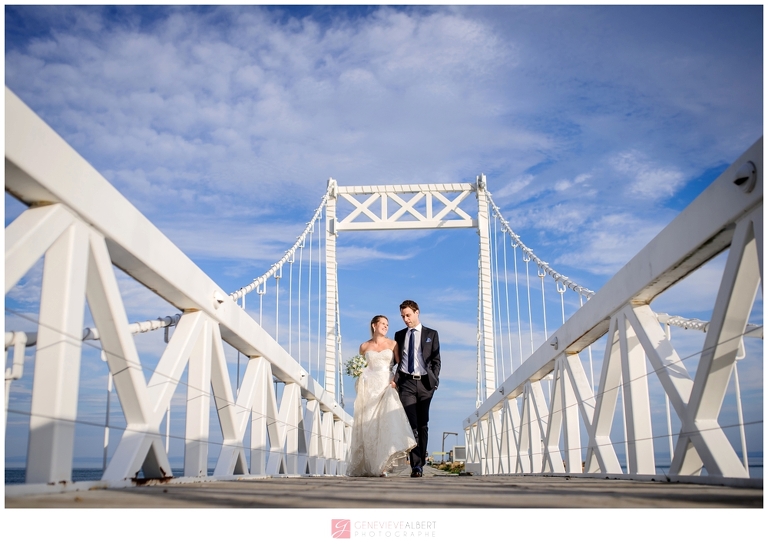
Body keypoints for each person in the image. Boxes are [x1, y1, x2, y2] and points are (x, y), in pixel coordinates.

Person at [346, 315, 417, 477]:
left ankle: (382, 466)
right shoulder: (364, 346)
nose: (386, 327)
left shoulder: (392, 344)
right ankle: (370, 464)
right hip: (369, 388)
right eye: (383, 324)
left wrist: (395, 381)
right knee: (369, 425)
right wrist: (358, 373)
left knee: (385, 423)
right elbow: (362, 366)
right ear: (374, 325)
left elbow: (400, 365)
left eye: (387, 324)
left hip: (386, 385)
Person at [393, 300, 441, 478]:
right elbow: (394, 361)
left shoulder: (432, 334)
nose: (406, 319)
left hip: (426, 384)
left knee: (423, 425)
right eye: (403, 316)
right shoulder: (399, 335)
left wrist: (434, 381)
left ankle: (421, 458)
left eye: (408, 315)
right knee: (412, 425)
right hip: (406, 384)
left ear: (417, 312)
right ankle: (416, 466)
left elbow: (436, 361)